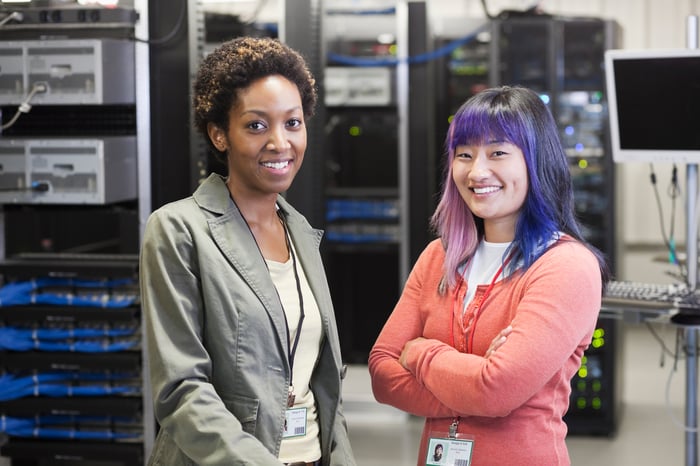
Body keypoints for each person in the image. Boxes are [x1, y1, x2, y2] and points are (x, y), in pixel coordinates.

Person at [139, 36, 356, 466]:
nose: (280, 142)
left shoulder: (299, 233)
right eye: (257, 125)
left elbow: (323, 383)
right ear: (219, 135)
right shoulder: (179, 229)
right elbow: (181, 390)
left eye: (292, 123)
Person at [368, 86, 609, 466]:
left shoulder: (565, 266)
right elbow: (382, 374)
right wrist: (474, 387)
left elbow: (495, 391)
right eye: (464, 155)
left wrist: (420, 352)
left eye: (498, 152)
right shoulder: (439, 258)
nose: (477, 171)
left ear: (535, 160)